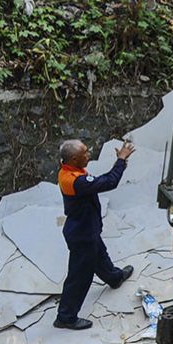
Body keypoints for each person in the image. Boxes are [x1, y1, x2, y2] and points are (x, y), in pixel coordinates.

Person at [54, 139, 136, 330]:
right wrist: (121, 160)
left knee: (99, 254)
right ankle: (65, 317)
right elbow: (109, 181)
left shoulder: (69, 169)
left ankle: (114, 278)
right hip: (82, 234)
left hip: (86, 228)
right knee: (80, 276)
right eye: (85, 152)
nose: (89, 154)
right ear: (74, 158)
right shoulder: (76, 180)